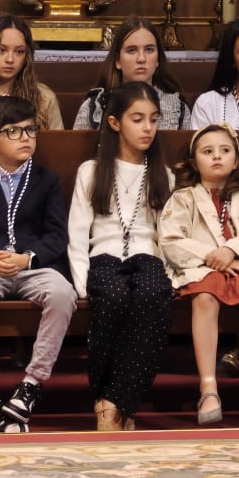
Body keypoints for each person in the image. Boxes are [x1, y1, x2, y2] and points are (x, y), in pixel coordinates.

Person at [0, 95, 73, 433]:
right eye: (14, 131)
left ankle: (31, 384)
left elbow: (56, 234)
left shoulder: (46, 180)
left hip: (33, 266)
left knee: (62, 294)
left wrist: (28, 257)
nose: (26, 138)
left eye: (30, 130)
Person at [69, 81, 174, 432]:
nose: (147, 128)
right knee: (111, 298)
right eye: (138, 119)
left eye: (154, 120)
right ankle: (113, 404)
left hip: (147, 255)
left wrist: (171, 274)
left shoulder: (163, 174)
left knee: (152, 296)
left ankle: (111, 403)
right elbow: (78, 231)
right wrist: (80, 281)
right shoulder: (91, 171)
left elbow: (166, 233)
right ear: (115, 122)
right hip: (105, 255)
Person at [160, 123, 239, 428]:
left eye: (225, 151)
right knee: (205, 297)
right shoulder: (182, 199)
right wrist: (214, 258)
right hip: (203, 269)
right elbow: (171, 240)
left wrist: (232, 250)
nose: (216, 157)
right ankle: (208, 387)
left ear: (236, 159)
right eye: (207, 152)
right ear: (194, 160)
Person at [75, 19, 187, 131]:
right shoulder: (94, 107)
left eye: (149, 50)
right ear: (117, 60)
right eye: (132, 50)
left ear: (158, 59)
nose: (141, 59)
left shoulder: (177, 108)